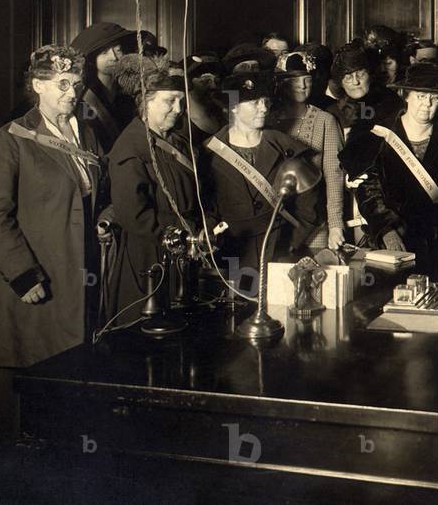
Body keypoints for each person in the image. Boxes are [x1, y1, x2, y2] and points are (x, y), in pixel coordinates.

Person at [0, 45, 108, 380]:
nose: (72, 92)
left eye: (76, 84)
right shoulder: (12, 139)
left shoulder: (86, 134)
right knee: (24, 387)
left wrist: (105, 219)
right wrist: (23, 275)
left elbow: (106, 192)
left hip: (81, 275)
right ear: (38, 85)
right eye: (62, 84)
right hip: (36, 279)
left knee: (69, 381)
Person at [339, 63, 438, 269]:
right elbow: (369, 192)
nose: (427, 104)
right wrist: (387, 231)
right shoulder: (380, 135)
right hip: (394, 240)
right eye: (421, 96)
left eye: (434, 98)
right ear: (406, 96)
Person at [107, 54, 205, 326]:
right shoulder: (130, 148)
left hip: (184, 253)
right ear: (145, 103)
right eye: (169, 101)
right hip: (149, 260)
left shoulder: (179, 142)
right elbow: (133, 216)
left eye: (181, 102)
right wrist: (183, 235)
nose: (178, 109)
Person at [206, 49, 320, 276]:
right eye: (254, 102)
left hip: (276, 252)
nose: (264, 108)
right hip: (228, 255)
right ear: (234, 107)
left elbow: (309, 208)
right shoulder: (209, 152)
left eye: (265, 101)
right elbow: (204, 205)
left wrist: (290, 243)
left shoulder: (287, 148)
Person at [267, 51, 346, 252]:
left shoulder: (325, 121)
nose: (302, 86)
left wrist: (336, 225)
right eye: (295, 80)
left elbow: (334, 175)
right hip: (274, 220)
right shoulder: (268, 121)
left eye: (307, 80)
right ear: (282, 83)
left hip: (315, 221)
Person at [70, 22, 135, 153]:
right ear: (92, 58)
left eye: (118, 50)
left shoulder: (128, 95)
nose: (114, 58)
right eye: (105, 52)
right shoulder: (83, 101)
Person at [326, 41, 403, 131]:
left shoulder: (390, 103)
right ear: (340, 81)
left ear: (370, 74)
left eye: (361, 74)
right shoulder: (332, 113)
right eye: (348, 77)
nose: (355, 82)